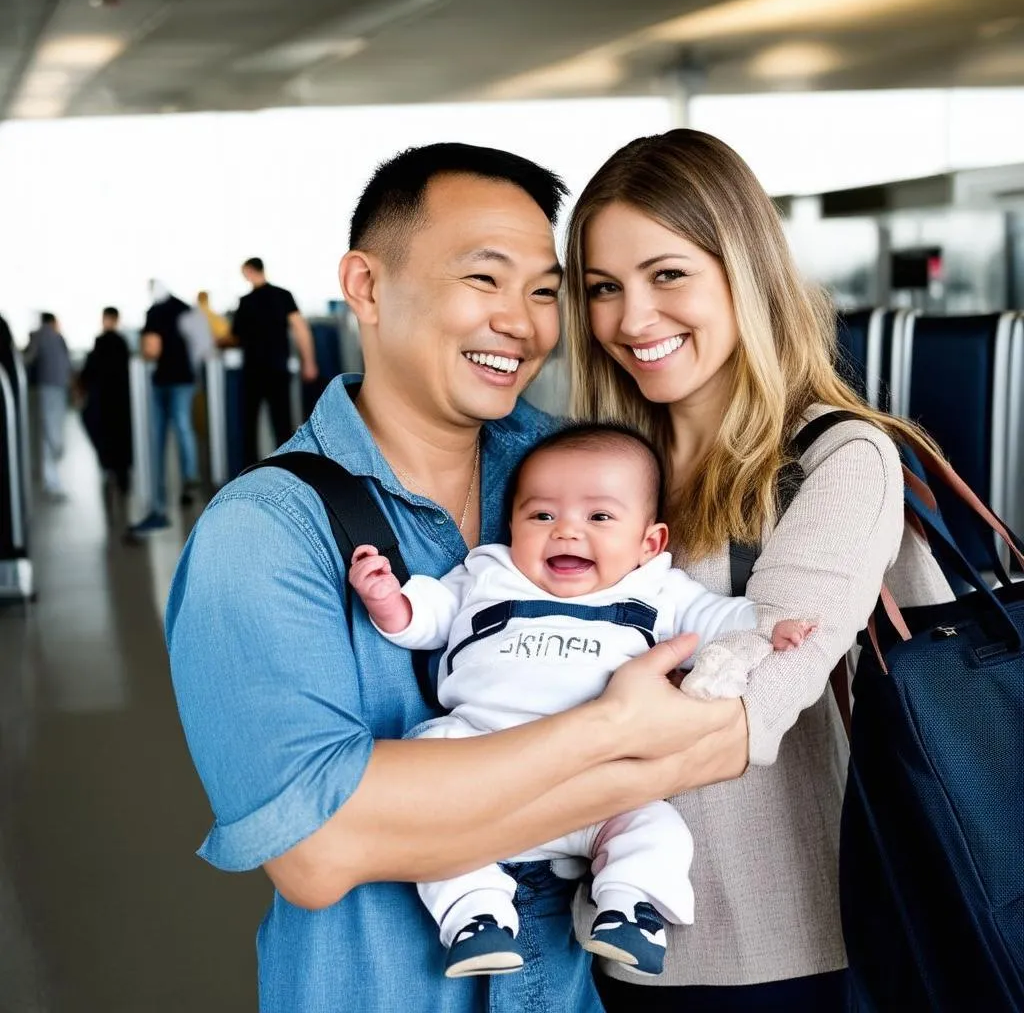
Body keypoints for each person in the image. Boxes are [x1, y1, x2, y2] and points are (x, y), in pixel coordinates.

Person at [166, 143, 749, 1013]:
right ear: (365, 286)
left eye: (545, 290)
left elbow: (731, 734)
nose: (522, 322)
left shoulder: (576, 475)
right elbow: (320, 851)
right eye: (485, 279)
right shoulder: (262, 536)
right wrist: (615, 730)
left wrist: (410, 810)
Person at [562, 128, 955, 1011]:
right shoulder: (597, 477)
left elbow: (745, 715)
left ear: (742, 269)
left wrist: (521, 768)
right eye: (603, 289)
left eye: (668, 275)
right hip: (614, 943)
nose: (632, 319)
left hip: (785, 953)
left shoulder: (838, 459)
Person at [349, 423, 814, 980]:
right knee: (427, 789)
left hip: (600, 790)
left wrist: (766, 626)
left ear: (650, 543)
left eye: (599, 517)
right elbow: (429, 617)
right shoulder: (488, 572)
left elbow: (716, 617)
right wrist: (389, 600)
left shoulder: (656, 587)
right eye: (541, 515)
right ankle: (477, 917)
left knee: (656, 828)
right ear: (513, 524)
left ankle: (628, 908)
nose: (566, 531)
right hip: (481, 760)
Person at [231, 257, 318, 465]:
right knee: (282, 424)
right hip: (277, 368)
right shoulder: (283, 295)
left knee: (248, 426)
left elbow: (235, 336)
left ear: (250, 271)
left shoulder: (246, 302)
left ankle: (249, 474)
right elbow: (300, 329)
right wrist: (309, 361)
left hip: (252, 371)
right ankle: (286, 470)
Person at [130, 280, 201, 532]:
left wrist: (142, 354)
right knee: (184, 427)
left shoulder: (154, 312)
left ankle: (157, 497)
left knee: (158, 436)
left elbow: (152, 348)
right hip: (186, 379)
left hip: (164, 380)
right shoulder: (185, 308)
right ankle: (189, 477)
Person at [79, 306, 132, 499]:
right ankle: (122, 477)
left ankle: (108, 469)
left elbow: (88, 372)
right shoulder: (122, 343)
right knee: (122, 440)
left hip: (103, 402)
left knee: (106, 439)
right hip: (121, 402)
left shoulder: (100, 343)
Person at [24, 312, 72, 499]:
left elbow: (27, 359)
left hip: (46, 390)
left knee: (48, 435)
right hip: (53, 390)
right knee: (52, 435)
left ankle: (50, 479)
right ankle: (51, 481)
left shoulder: (39, 337)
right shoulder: (54, 337)